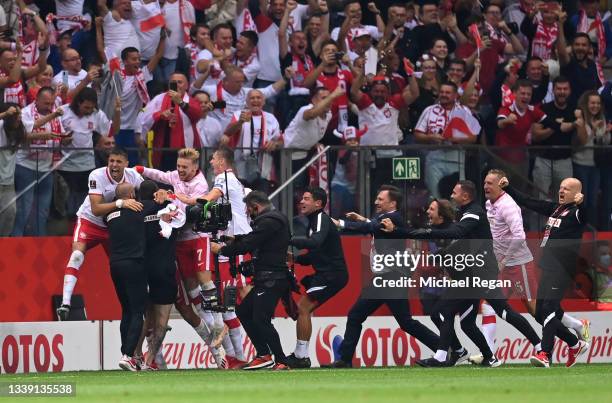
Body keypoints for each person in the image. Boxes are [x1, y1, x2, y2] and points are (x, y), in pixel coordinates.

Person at [382, 180, 542, 367]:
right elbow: (460, 241)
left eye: (454, 192)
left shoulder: (473, 213)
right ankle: (484, 357)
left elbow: (457, 233)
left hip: (480, 275)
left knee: (499, 313)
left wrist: (401, 232)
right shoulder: (466, 214)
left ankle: (539, 347)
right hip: (470, 276)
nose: (451, 195)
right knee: (460, 319)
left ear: (465, 196)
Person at [323, 185, 440, 368]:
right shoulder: (388, 219)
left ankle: (443, 348)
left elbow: (374, 226)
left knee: (404, 322)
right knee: (357, 315)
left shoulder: (393, 218)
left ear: (392, 202)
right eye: (377, 198)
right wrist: (363, 219)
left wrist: (341, 224)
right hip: (384, 279)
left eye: (380, 199)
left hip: (391, 279)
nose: (376, 201)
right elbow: (375, 226)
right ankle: (344, 360)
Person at [500, 176, 591, 368]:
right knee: (541, 313)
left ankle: (545, 354)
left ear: (576, 194)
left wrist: (583, 204)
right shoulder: (556, 209)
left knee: (548, 309)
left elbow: (586, 215)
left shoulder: (576, 213)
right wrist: (509, 188)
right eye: (561, 187)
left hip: (562, 268)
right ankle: (575, 343)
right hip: (548, 265)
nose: (562, 191)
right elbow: (529, 202)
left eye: (567, 189)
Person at [175, 147, 252, 368]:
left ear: (222, 162)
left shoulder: (224, 177)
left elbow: (208, 198)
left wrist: (185, 199)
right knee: (224, 305)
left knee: (230, 304)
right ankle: (236, 356)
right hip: (225, 247)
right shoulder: (235, 182)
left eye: (214, 159)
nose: (211, 162)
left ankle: (244, 355)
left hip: (234, 245)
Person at [57, 148, 143, 320]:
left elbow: (146, 193)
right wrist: (121, 203)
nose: (114, 165)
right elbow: (96, 209)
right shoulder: (97, 175)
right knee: (76, 256)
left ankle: (142, 309)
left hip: (113, 226)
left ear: (126, 164)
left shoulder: (133, 176)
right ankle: (65, 303)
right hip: (90, 221)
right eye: (111, 161)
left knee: (126, 266)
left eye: (118, 162)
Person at [211, 191, 292, 370]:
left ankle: (281, 360)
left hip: (272, 278)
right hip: (268, 279)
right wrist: (235, 239)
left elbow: (249, 245)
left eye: (248, 209)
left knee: (261, 318)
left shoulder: (269, 221)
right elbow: (254, 239)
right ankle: (263, 354)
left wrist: (222, 250)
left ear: (256, 206)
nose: (247, 213)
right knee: (244, 310)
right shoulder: (273, 220)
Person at [285, 187, 348, 368]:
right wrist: (296, 258)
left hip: (332, 275)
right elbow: (316, 252)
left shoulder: (320, 218)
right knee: (304, 309)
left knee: (303, 308)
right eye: (302, 198)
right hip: (327, 274)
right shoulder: (313, 222)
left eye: (306, 198)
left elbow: (315, 243)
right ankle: (301, 355)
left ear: (318, 203)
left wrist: (288, 239)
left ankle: (301, 356)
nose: (301, 202)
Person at [105, 182, 156, 371]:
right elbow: (155, 204)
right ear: (133, 195)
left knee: (126, 310)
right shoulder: (139, 209)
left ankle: (125, 354)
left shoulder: (109, 215)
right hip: (134, 264)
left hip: (115, 265)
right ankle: (128, 355)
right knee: (137, 312)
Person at [12, 87, 69, 236]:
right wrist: (45, 134)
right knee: (24, 208)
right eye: (45, 103)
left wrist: (66, 138)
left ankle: (40, 242)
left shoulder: (54, 114)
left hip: (47, 167)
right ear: (36, 99)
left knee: (42, 210)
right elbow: (21, 134)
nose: (49, 107)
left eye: (51, 103)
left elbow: (60, 134)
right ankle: (17, 240)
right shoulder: (25, 113)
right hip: (25, 166)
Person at [58, 87, 120, 216]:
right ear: (78, 103)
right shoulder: (63, 111)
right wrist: (61, 140)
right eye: (86, 107)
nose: (89, 111)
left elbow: (113, 131)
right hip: (64, 165)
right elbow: (53, 134)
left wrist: (117, 112)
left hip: (87, 165)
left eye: (91, 107)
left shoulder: (97, 114)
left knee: (84, 202)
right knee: (65, 200)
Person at [283, 86, 344, 191]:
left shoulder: (328, 114)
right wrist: (333, 95)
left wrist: (314, 142)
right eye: (324, 98)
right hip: (288, 155)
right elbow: (311, 114)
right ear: (313, 100)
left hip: (306, 154)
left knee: (305, 191)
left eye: (330, 99)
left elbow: (312, 131)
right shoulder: (305, 109)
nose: (329, 101)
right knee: (290, 193)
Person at [140, 72, 203, 170]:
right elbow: (144, 120)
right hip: (163, 150)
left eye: (180, 82)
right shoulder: (159, 99)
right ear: (169, 84)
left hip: (185, 150)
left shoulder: (191, 101)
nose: (177, 85)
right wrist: (160, 115)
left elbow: (197, 114)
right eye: (173, 82)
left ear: (186, 86)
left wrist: (181, 103)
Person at [222, 89, 282, 192]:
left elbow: (280, 141)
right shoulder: (238, 115)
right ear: (246, 102)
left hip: (263, 168)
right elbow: (228, 132)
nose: (255, 100)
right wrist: (240, 122)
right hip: (241, 166)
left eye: (258, 98)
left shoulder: (271, 118)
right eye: (252, 98)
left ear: (263, 101)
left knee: (260, 202)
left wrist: (275, 144)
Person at [531, 76, 576, 200]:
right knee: (540, 198)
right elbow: (535, 136)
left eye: (565, 89)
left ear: (570, 90)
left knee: (564, 199)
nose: (562, 92)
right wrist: (556, 126)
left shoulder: (574, 110)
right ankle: (538, 221)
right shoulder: (544, 109)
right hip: (543, 160)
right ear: (553, 90)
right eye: (559, 89)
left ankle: (560, 220)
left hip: (565, 161)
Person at [0, 103, 26, 236]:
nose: (19, 119)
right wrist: (5, 114)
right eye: (15, 116)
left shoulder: (18, 131)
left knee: (10, 214)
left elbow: (36, 124)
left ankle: (3, 243)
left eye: (19, 116)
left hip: (8, 184)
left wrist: (54, 115)